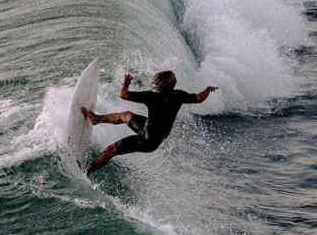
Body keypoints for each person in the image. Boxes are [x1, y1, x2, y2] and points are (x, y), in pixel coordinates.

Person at [82, 70, 217, 176]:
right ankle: (97, 119)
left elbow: (123, 95)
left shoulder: (152, 96)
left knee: (110, 150)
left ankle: (87, 172)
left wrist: (126, 82)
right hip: (154, 133)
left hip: (146, 141)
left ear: (158, 85)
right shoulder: (179, 95)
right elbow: (199, 98)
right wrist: (208, 89)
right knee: (126, 116)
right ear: (173, 84)